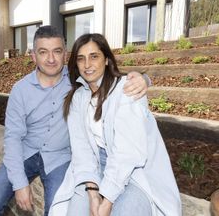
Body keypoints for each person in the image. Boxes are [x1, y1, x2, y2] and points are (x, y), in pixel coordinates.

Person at [0, 26, 149, 216]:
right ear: (33, 56)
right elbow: (13, 138)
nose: (51, 59)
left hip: (59, 158)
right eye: (43, 52)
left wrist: (144, 79)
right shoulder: (20, 90)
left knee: (57, 208)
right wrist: (20, 184)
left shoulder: (77, 78)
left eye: (57, 51)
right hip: (25, 154)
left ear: (65, 55)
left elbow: (111, 78)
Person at [50, 33, 181, 216]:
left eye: (94, 56)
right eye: (81, 59)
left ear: (106, 60)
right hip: (92, 169)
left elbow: (127, 153)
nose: (87, 65)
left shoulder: (126, 89)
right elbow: (82, 150)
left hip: (133, 172)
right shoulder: (77, 99)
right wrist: (93, 192)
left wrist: (108, 199)